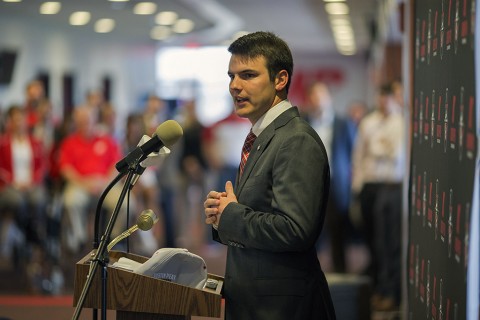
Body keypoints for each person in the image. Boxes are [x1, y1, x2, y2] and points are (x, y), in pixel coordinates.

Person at [203, 31, 336, 319]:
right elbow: (259, 212)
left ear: (280, 80)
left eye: (248, 75)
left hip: (281, 308)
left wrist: (232, 215)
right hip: (257, 300)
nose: (235, 86)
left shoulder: (295, 139)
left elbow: (295, 230)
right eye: (231, 76)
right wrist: (223, 215)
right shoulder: (263, 136)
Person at [351, 82, 405, 311]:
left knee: (390, 242)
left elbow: (395, 153)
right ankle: (379, 287)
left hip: (392, 186)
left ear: (394, 98)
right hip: (370, 186)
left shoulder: (400, 122)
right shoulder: (368, 122)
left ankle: (390, 291)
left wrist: (380, 148)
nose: (384, 102)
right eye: (381, 97)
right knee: (374, 241)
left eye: (388, 97)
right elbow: (361, 154)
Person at [302, 80, 361, 273]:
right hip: (308, 185)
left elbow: (354, 153)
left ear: (329, 98)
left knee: (338, 234)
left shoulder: (343, 123)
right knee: (308, 232)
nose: (318, 100)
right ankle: (308, 274)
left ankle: (341, 273)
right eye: (314, 96)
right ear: (309, 99)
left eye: (322, 95)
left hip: (336, 185)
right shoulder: (302, 122)